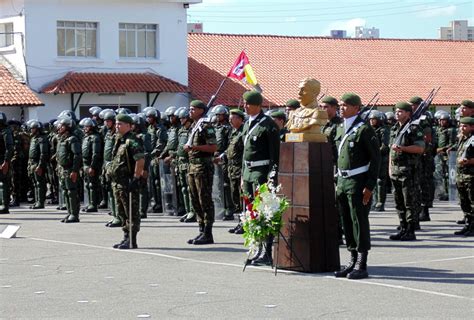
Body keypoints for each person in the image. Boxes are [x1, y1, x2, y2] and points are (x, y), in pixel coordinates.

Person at [333, 93, 380, 280]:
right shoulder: (340, 128)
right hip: (343, 182)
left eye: (346, 105)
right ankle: (352, 259)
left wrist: (369, 186)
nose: (342, 108)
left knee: (359, 221)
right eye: (341, 105)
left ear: (356, 108)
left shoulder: (364, 130)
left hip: (358, 182)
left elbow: (375, 159)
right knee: (346, 221)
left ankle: (362, 262)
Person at [241, 90, 280, 266]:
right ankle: (257, 249)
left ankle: (267, 250)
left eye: (247, 103)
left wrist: (272, 178)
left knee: (264, 212)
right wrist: (243, 175)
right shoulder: (247, 123)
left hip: (261, 172)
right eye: (244, 103)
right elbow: (244, 153)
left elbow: (275, 155)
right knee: (252, 213)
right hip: (248, 173)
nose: (244, 106)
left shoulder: (268, 125)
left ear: (257, 105)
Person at [388, 102, 425, 241]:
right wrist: (390, 170)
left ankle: (410, 229)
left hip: (408, 172)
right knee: (399, 202)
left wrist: (403, 148)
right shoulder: (394, 129)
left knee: (409, 202)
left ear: (408, 113)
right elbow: (392, 151)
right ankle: (403, 227)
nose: (397, 113)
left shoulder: (414, 128)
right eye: (396, 111)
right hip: (396, 171)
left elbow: (420, 148)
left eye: (401, 111)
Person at [110, 114, 145, 249]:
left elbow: (140, 160)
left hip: (128, 181)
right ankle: (125, 237)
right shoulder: (119, 140)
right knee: (122, 211)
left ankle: (132, 239)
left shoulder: (132, 140)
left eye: (120, 124)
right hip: (118, 182)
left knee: (131, 211)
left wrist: (136, 178)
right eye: (117, 123)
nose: (117, 126)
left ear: (129, 126)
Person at [185, 100, 217, 245]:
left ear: (201, 110)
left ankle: (208, 232)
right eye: (190, 109)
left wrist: (194, 148)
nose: (190, 111)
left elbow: (212, 147)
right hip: (192, 167)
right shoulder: (194, 125)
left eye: (193, 109)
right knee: (195, 200)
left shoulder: (206, 126)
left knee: (204, 200)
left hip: (203, 167)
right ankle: (201, 230)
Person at [56, 117, 82, 223]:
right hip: (63, 169)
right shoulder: (62, 138)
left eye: (62, 126)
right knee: (66, 192)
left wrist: (75, 170)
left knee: (72, 192)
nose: (60, 127)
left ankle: (74, 214)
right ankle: (69, 212)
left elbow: (77, 155)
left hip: (70, 169)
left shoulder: (72, 139)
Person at [453, 117, 474, 236]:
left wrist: (469, 161)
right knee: (464, 202)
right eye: (461, 126)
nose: (462, 128)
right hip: (461, 175)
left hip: (471, 175)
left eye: (465, 126)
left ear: (472, 127)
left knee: (472, 202)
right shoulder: (462, 139)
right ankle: (468, 224)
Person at [213, 105, 233, 220]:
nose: (217, 117)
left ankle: (229, 209)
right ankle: (219, 207)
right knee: (217, 185)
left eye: (219, 115)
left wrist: (222, 155)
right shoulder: (215, 128)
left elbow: (230, 144)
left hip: (224, 159)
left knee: (226, 185)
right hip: (214, 158)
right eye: (216, 115)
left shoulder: (228, 128)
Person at [79, 118, 103, 213]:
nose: (85, 128)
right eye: (84, 126)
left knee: (92, 185)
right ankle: (89, 203)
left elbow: (95, 153)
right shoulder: (85, 137)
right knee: (87, 185)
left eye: (87, 126)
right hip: (85, 164)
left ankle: (93, 204)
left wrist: (92, 166)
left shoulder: (95, 138)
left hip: (91, 164)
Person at [368, 111, 390, 212]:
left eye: (374, 119)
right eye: (371, 119)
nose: (372, 121)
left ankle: (380, 203)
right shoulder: (369, 130)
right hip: (373, 158)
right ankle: (374, 201)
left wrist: (375, 153)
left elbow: (385, 146)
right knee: (373, 180)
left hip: (382, 158)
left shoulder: (384, 130)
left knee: (380, 181)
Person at [27, 120, 50, 209]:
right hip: (32, 163)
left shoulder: (42, 139)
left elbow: (43, 153)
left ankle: (40, 202)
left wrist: (40, 166)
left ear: (38, 129)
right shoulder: (34, 138)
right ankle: (37, 201)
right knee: (35, 183)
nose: (31, 130)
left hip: (38, 163)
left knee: (40, 183)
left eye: (33, 128)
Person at [435, 112, 457, 201]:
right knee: (439, 174)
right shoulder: (438, 130)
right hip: (439, 155)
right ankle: (442, 193)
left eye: (444, 120)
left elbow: (453, 143)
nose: (442, 122)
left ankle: (450, 193)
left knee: (449, 175)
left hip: (448, 155)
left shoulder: (451, 130)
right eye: (440, 120)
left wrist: (444, 149)